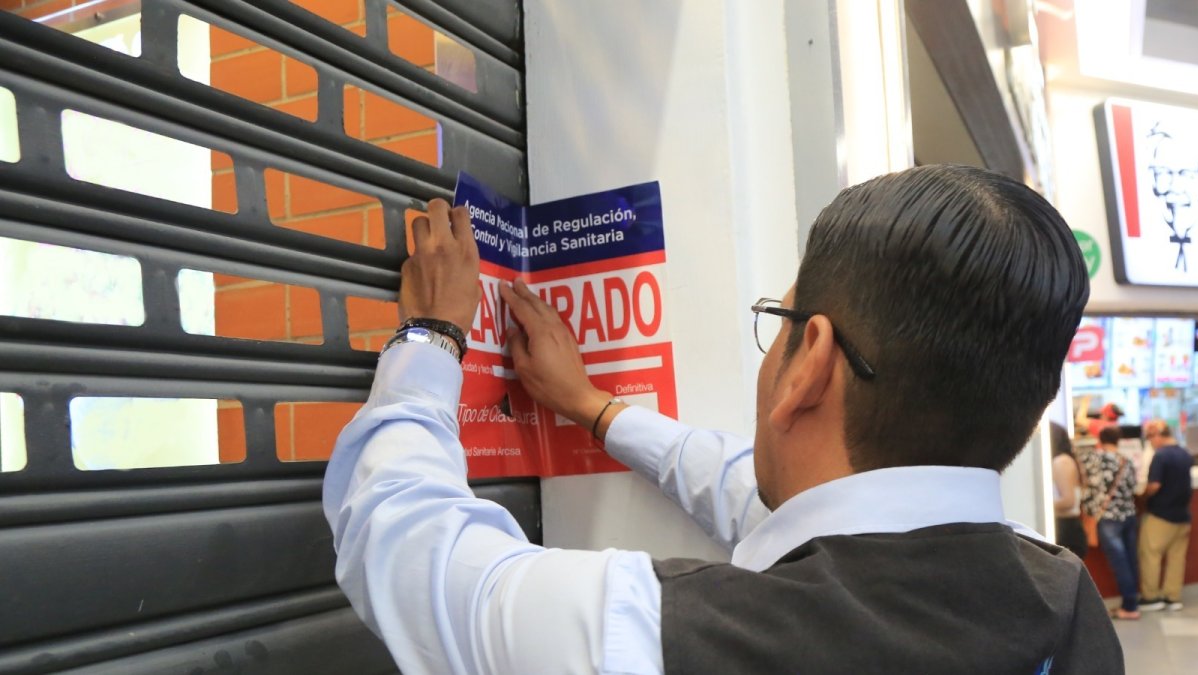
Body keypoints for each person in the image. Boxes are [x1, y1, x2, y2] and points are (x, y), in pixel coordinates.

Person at [323, 165, 1122, 673]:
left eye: (779, 320)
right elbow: (769, 495)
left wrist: (432, 337)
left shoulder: (673, 637)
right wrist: (593, 407)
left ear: (810, 361)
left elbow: (407, 550)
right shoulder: (1064, 599)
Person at [1082, 425, 1140, 619]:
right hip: (1129, 514)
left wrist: (1089, 512)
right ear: (1118, 440)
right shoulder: (1126, 460)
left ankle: (1130, 607)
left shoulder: (1094, 459)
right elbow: (1133, 486)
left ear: (1100, 439)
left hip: (1108, 517)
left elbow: (1090, 487)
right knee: (1130, 560)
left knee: (1120, 562)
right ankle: (1132, 602)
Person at [1137, 419, 1194, 612]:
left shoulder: (1160, 456)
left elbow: (1154, 485)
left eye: (1150, 437)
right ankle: (1172, 597)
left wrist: (1143, 495)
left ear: (1158, 435)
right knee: (1176, 559)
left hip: (1160, 515)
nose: (1150, 442)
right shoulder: (1185, 454)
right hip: (1183, 516)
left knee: (1150, 555)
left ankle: (1151, 597)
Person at [1051, 422, 1088, 558]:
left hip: (1066, 530)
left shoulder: (1062, 462)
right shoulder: (1064, 460)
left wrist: (1040, 507)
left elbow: (1068, 501)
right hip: (1066, 528)